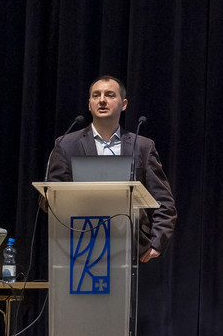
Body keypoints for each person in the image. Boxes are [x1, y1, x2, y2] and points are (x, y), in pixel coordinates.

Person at [46, 75, 177, 262]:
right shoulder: (67, 144)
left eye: (109, 95)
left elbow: (164, 201)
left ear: (124, 104)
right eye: (96, 95)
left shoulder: (142, 146)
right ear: (89, 104)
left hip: (131, 247)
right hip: (79, 247)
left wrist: (157, 243)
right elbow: (51, 199)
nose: (102, 100)